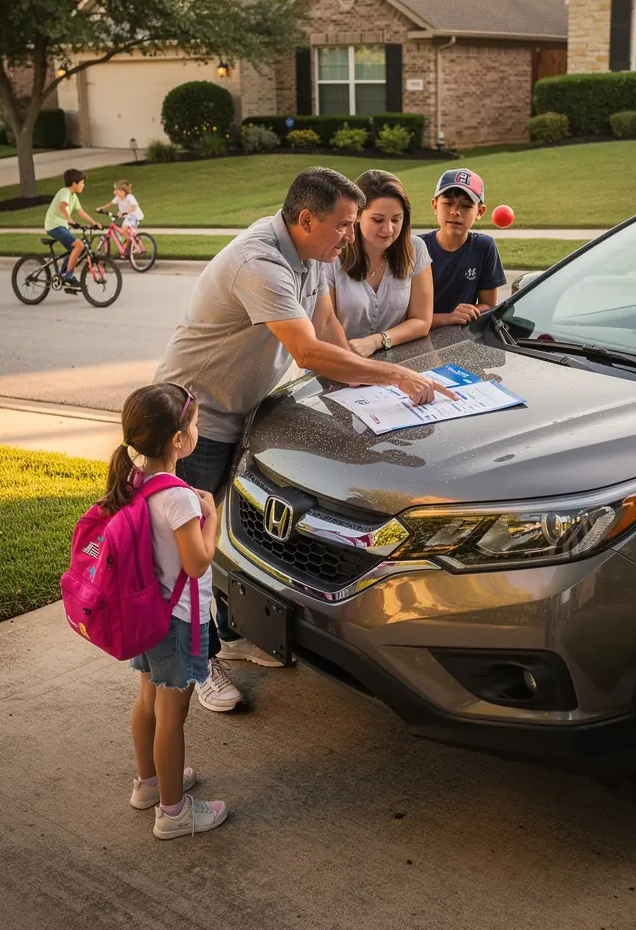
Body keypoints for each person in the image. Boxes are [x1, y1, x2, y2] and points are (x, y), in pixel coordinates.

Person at [154, 166, 456, 713]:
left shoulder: (314, 257)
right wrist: (400, 378)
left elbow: (330, 338)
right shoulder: (260, 262)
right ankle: (198, 663)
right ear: (306, 218)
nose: (351, 235)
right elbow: (308, 353)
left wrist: (368, 402)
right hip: (193, 424)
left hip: (245, 415)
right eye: (343, 225)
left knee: (225, 538)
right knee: (184, 555)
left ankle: (226, 634)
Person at [101, 382, 229, 839]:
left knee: (148, 701)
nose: (197, 431)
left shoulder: (134, 480)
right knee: (173, 716)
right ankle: (174, 813)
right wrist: (210, 516)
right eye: (194, 425)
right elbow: (196, 563)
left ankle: (149, 785)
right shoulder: (178, 498)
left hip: (146, 614)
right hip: (175, 621)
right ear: (179, 440)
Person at [325, 169, 433, 357]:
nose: (388, 229)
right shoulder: (330, 255)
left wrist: (377, 341)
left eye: (396, 219)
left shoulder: (417, 249)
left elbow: (422, 321)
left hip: (393, 361)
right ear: (357, 214)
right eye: (378, 219)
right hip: (336, 361)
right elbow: (324, 327)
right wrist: (353, 360)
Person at [421, 169, 506, 328]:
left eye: (466, 206)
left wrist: (469, 312)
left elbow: (488, 305)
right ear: (434, 205)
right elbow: (404, 316)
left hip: (460, 335)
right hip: (417, 337)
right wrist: (448, 318)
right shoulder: (418, 247)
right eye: (447, 203)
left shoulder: (484, 247)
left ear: (480, 212)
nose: (455, 212)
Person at [43, 168, 101, 288]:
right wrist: (70, 220)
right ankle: (68, 275)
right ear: (74, 183)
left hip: (61, 226)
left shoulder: (73, 196)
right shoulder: (65, 192)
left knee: (76, 249)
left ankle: (62, 275)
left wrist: (94, 223)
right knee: (79, 245)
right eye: (82, 183)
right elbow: (62, 207)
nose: (83, 186)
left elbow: (81, 212)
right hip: (54, 225)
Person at [96, 179, 144, 250]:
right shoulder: (118, 198)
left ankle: (131, 243)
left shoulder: (130, 197)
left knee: (124, 227)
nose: (115, 192)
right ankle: (129, 242)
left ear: (123, 191)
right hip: (127, 217)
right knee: (119, 227)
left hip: (135, 216)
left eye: (117, 190)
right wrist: (101, 208)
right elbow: (110, 204)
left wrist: (125, 212)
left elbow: (134, 207)